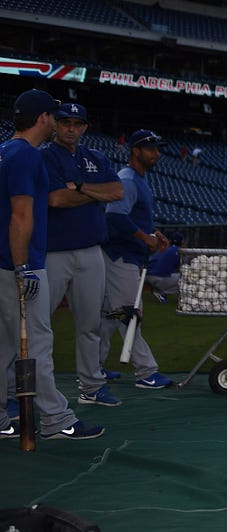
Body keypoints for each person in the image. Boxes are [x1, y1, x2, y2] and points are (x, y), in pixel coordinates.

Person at [0, 89, 104, 440]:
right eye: (55, 117)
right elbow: (21, 216)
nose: (58, 123)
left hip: (2, 264)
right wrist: (23, 265)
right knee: (38, 345)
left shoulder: (5, 150)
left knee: (3, 347)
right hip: (19, 264)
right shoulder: (28, 156)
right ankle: (56, 419)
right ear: (43, 118)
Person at [42, 102, 124, 408]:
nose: (71, 128)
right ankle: (13, 391)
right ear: (54, 124)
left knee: (90, 324)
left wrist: (78, 187)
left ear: (85, 127)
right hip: (53, 252)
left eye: (77, 123)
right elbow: (56, 199)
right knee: (38, 325)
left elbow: (117, 191)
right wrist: (92, 192)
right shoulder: (45, 156)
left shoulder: (95, 156)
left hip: (91, 251)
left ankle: (91, 386)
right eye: (65, 122)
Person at [100, 129, 175, 389]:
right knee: (130, 313)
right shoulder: (128, 179)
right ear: (135, 151)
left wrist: (154, 233)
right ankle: (146, 372)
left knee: (110, 315)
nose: (156, 154)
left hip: (125, 254)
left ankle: (94, 367)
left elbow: (133, 217)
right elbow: (115, 216)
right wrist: (146, 238)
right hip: (121, 254)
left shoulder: (137, 179)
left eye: (157, 148)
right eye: (150, 149)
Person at [145, 233, 183, 304]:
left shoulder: (164, 247)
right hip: (158, 277)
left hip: (146, 276)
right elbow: (180, 268)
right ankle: (161, 292)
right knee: (185, 278)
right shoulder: (178, 250)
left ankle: (159, 290)